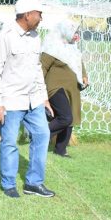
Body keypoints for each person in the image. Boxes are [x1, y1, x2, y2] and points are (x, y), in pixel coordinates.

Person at [0, 0, 55, 199]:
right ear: (27, 14)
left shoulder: (36, 36)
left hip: (34, 100)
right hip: (11, 101)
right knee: (9, 142)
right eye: (39, 13)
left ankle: (34, 183)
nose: (41, 18)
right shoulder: (6, 36)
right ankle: (9, 184)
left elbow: (37, 70)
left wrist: (44, 98)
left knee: (42, 135)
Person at [41, 19, 88, 158]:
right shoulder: (51, 48)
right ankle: (39, 136)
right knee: (65, 117)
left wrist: (84, 76)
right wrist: (40, 89)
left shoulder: (72, 48)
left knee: (71, 118)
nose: (76, 35)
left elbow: (79, 64)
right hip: (55, 88)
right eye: (74, 32)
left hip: (72, 89)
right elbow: (42, 68)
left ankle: (61, 149)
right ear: (65, 31)